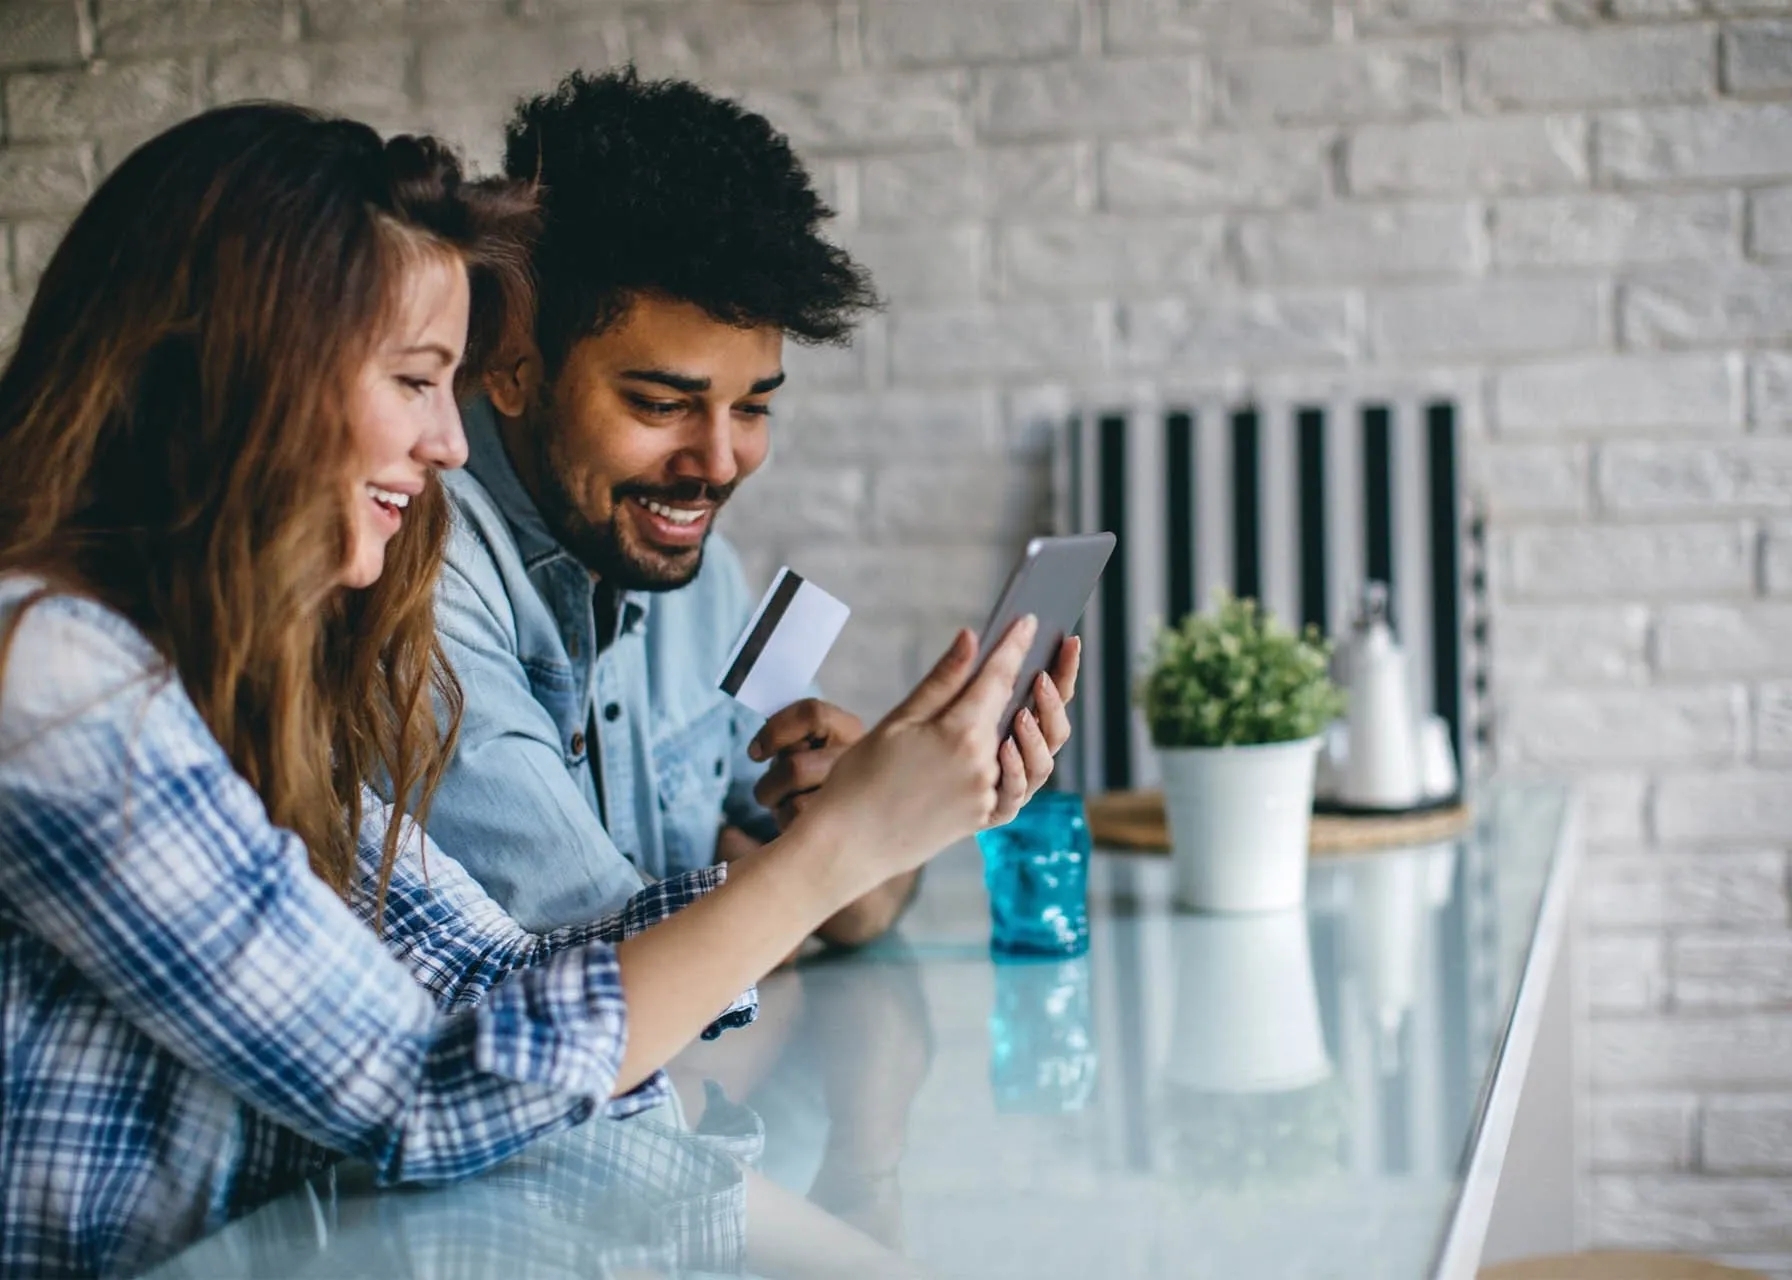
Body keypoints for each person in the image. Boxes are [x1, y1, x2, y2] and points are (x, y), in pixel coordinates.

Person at [0, 102, 1050, 1279]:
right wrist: (838, 848)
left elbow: (501, 981)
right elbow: (423, 1090)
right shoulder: (47, 679)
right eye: (415, 379)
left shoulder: (229, 667)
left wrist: (868, 824)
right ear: (240, 377)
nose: (449, 442)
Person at [429, 68, 1079, 942]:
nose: (719, 463)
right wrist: (820, 861)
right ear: (511, 366)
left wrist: (865, 817)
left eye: (754, 407)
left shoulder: (699, 582)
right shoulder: (425, 574)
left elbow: (861, 913)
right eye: (661, 405)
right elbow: (603, 966)